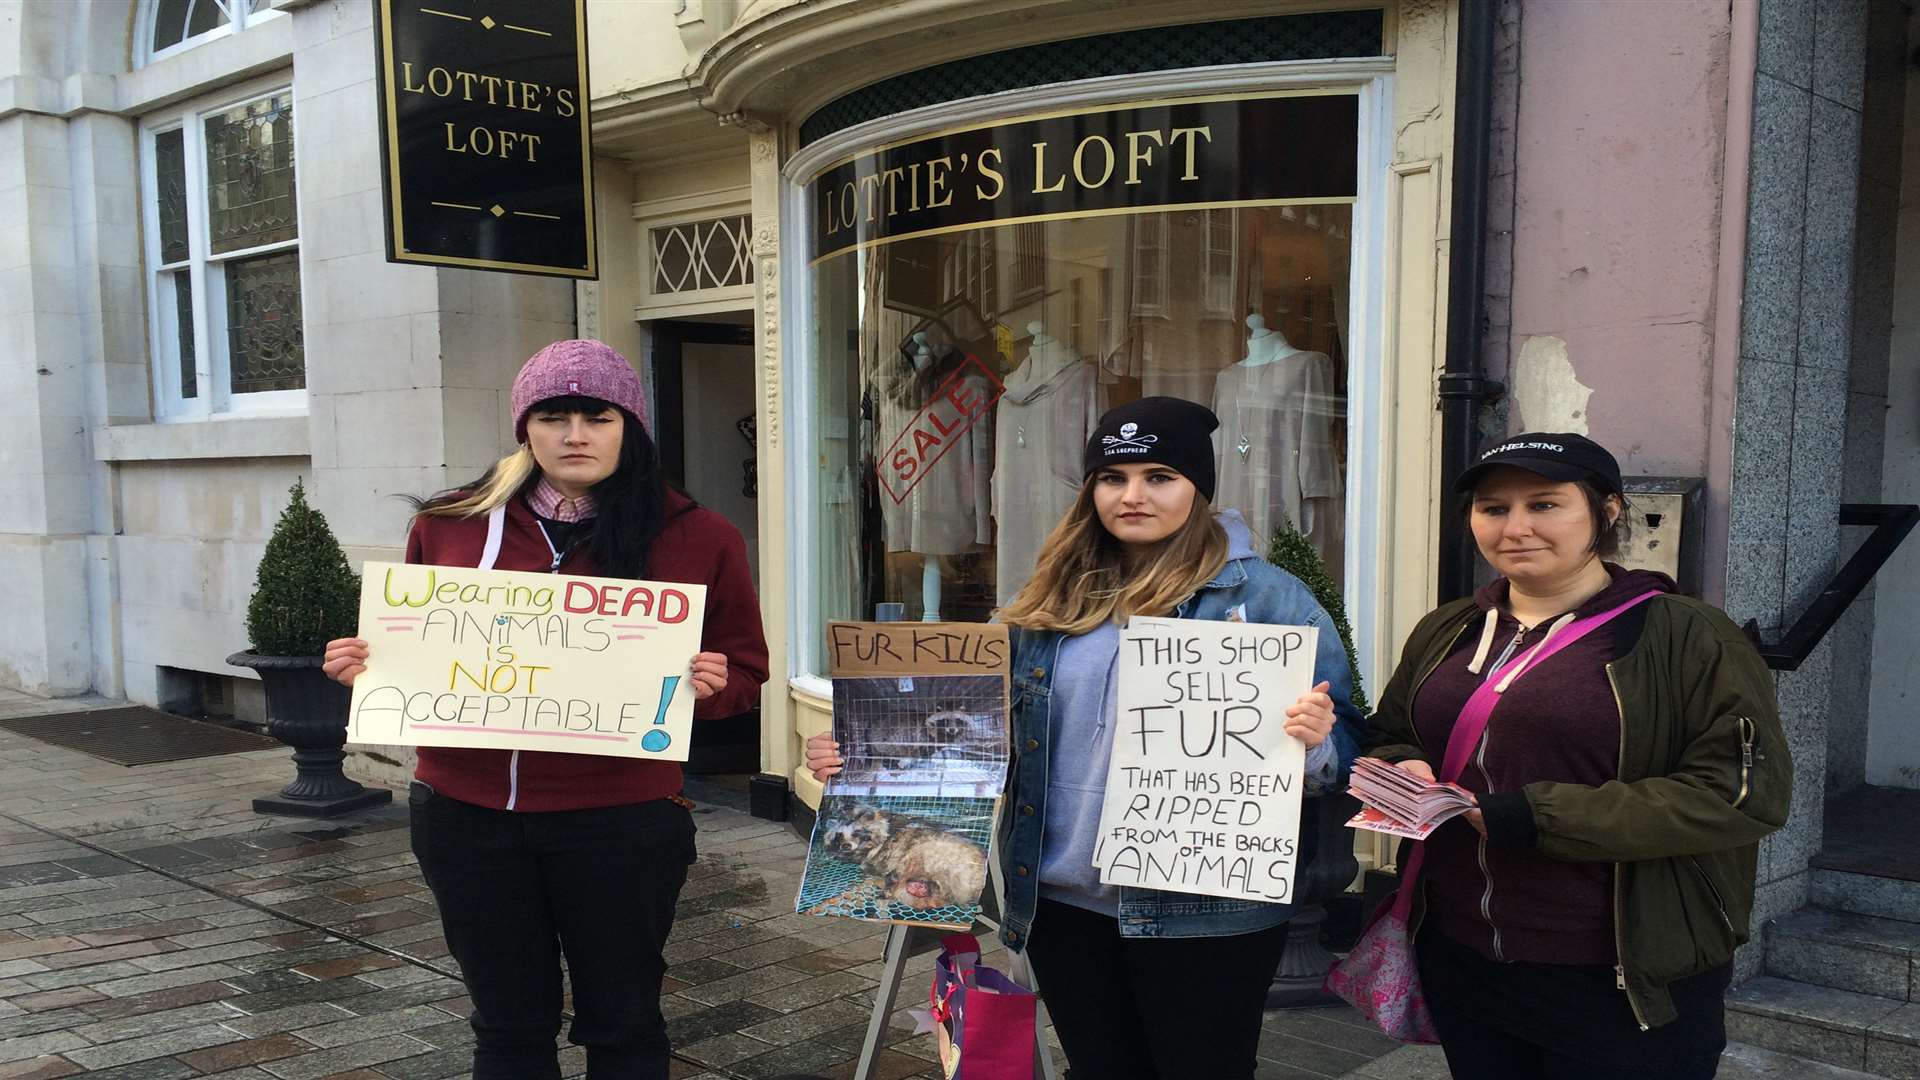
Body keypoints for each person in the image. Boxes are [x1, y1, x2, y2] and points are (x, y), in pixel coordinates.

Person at [808, 397, 1365, 1079]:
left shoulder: (1272, 601)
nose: (1132, 495)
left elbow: (1352, 756)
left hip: (1207, 909)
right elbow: (961, 735)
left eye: (1159, 476)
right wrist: (864, 758)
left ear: (1199, 487)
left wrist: (1315, 745)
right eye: (1112, 477)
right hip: (1062, 901)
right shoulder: (1049, 603)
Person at [320, 340, 769, 1080]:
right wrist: (364, 665)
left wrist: (718, 684)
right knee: (507, 1026)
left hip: (621, 822)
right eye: (552, 416)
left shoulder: (699, 535)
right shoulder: (451, 525)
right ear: (525, 429)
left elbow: (748, 671)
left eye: (598, 415)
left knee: (624, 1025)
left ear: (631, 425)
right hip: (465, 816)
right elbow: (411, 644)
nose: (575, 434)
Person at [1364, 432, 1791, 1079]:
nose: (1515, 526)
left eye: (1544, 504)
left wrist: (1536, 817)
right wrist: (1402, 766)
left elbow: (1740, 792)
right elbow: (1392, 732)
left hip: (1617, 975)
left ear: (1608, 511)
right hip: (1461, 956)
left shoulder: (1687, 634)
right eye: (1493, 508)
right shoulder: (1447, 628)